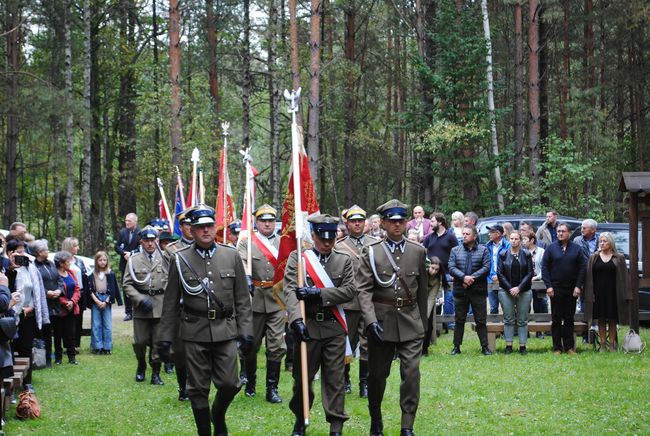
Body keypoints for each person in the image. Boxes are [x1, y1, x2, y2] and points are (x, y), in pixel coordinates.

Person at [158, 205, 253, 436]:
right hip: (194, 332)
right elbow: (170, 302)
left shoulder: (230, 255)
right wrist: (164, 339)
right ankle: (204, 432)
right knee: (198, 389)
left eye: (209, 226)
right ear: (191, 229)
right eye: (200, 227)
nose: (206, 231)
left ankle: (218, 415)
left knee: (231, 384)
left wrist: (246, 330)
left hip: (225, 331)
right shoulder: (180, 259)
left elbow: (242, 297)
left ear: (215, 227)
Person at [357, 199, 428, 436]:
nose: (397, 225)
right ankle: (375, 417)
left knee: (411, 375)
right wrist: (370, 321)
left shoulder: (418, 251)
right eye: (392, 221)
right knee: (377, 376)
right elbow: (364, 290)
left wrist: (423, 327)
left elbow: (422, 292)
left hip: (410, 322)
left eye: (401, 221)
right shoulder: (372, 251)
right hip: (381, 322)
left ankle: (407, 425)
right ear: (384, 224)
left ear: (406, 223)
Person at [284, 213, 355, 436]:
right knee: (302, 379)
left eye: (331, 238)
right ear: (313, 236)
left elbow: (350, 290)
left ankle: (336, 426)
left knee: (335, 380)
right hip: (308, 327)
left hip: (334, 328)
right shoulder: (299, 259)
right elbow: (289, 290)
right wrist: (296, 320)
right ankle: (300, 418)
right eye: (322, 238)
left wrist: (318, 293)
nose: (327, 243)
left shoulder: (343, 260)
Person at [237, 204, 286, 404]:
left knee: (276, 346)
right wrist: (246, 275)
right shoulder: (247, 242)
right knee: (251, 345)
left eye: (271, 220)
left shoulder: (283, 242)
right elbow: (241, 262)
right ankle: (250, 382)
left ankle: (272, 389)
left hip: (276, 300)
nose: (267, 223)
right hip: (254, 301)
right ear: (256, 222)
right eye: (263, 220)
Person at [335, 205, 378, 398]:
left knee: (368, 343)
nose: (357, 224)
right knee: (347, 342)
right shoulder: (339, 246)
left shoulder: (376, 243)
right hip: (349, 303)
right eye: (353, 221)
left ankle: (365, 383)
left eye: (360, 220)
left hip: (370, 302)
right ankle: (345, 380)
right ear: (347, 223)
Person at [123, 226, 168, 385]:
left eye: (153, 240)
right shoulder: (134, 260)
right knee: (140, 342)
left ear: (157, 240)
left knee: (158, 341)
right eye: (147, 240)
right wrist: (140, 299)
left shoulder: (165, 258)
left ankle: (156, 373)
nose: (150, 244)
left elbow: (171, 281)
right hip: (142, 306)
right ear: (141, 241)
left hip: (160, 304)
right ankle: (141, 363)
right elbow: (127, 284)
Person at [161, 207, 195, 401]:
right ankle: (183, 387)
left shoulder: (207, 247)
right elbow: (166, 279)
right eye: (187, 224)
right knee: (181, 351)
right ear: (181, 227)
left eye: (193, 224)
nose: (191, 228)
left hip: (200, 307)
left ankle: (197, 385)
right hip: (181, 308)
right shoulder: (171, 251)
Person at [6, 239, 49, 391]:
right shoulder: (6, 269)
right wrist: (11, 268)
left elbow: (38, 293)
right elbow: (7, 290)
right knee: (10, 349)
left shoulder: (31, 268)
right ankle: (9, 385)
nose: (21, 254)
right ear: (9, 252)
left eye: (23, 250)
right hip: (11, 316)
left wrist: (31, 308)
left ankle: (27, 382)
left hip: (28, 315)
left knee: (26, 348)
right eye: (17, 251)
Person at [541, 222, 587, 355]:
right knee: (556, 319)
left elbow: (582, 268)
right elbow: (545, 268)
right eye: (558, 231)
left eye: (563, 231)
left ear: (569, 233)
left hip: (571, 289)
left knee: (569, 318)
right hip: (555, 289)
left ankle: (569, 347)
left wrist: (578, 286)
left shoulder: (576, 249)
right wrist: (548, 286)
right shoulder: (551, 248)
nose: (560, 233)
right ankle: (557, 348)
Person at [584, 233, 632, 352]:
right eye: (600, 241)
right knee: (600, 319)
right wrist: (589, 293)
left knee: (612, 319)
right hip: (598, 293)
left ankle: (612, 345)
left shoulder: (618, 257)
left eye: (605, 241)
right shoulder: (594, 257)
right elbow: (588, 276)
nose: (602, 243)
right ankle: (603, 345)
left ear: (611, 243)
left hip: (614, 293)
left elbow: (625, 277)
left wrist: (627, 294)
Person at [448, 224, 491, 355]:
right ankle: (456, 347)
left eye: (467, 234)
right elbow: (451, 267)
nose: (464, 236)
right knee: (459, 319)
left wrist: (471, 278)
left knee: (481, 320)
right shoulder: (455, 250)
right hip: (461, 290)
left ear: (474, 236)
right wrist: (463, 277)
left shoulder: (483, 250)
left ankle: (485, 346)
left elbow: (486, 267)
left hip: (478, 290)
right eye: (463, 234)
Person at [496, 232, 534, 354]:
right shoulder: (502, 254)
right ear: (509, 240)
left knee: (522, 319)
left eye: (516, 239)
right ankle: (509, 345)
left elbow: (530, 273)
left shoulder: (527, 254)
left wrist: (519, 288)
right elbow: (499, 273)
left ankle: (523, 346)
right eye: (511, 239)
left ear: (520, 240)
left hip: (524, 291)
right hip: (506, 291)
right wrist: (510, 289)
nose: (513, 241)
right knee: (509, 319)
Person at [88, 251, 123, 355]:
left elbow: (113, 289)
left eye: (104, 260)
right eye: (100, 260)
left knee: (107, 324)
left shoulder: (110, 273)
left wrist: (106, 301)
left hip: (107, 299)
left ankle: (107, 347)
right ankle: (97, 347)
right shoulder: (92, 274)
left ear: (107, 261)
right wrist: (97, 301)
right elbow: (89, 290)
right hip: (96, 299)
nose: (103, 262)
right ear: (96, 261)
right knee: (96, 324)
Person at [61, 237, 88, 355]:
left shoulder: (79, 261)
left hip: (79, 293)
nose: (78, 248)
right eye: (76, 246)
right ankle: (67, 345)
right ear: (70, 247)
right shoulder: (62, 261)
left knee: (78, 320)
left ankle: (75, 345)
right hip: (67, 294)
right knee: (66, 321)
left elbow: (85, 277)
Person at [53, 250, 81, 364]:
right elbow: (56, 292)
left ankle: (72, 357)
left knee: (71, 334)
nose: (70, 262)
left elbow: (77, 289)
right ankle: (58, 358)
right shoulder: (54, 275)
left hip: (71, 308)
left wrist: (72, 302)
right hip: (59, 309)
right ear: (61, 263)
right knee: (58, 334)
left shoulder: (71, 272)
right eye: (68, 261)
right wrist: (65, 303)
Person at [115, 212, 141, 321]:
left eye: (129, 221)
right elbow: (117, 247)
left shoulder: (141, 232)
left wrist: (132, 253)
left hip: (137, 265)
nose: (126, 223)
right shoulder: (122, 232)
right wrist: (124, 253)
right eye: (126, 220)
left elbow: (142, 247)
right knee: (126, 287)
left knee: (137, 287)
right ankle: (128, 312)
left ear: (135, 221)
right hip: (124, 264)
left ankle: (137, 311)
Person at [521, 231, 547, 338]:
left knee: (538, 305)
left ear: (532, 240)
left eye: (525, 239)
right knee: (524, 306)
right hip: (525, 283)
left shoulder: (542, 252)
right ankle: (525, 331)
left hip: (538, 282)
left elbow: (544, 267)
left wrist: (536, 277)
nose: (523, 242)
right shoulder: (522, 252)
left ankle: (539, 331)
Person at [485, 224, 510, 315]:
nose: (489, 234)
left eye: (491, 232)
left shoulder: (508, 246)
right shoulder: (488, 246)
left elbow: (509, 264)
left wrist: (500, 276)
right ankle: (495, 328)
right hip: (490, 279)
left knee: (506, 306)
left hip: (504, 280)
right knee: (493, 307)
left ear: (498, 233)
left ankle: (508, 328)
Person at [423, 256, 445, 355]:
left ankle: (425, 348)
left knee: (428, 325)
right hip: (416, 302)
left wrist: (426, 316)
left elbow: (432, 297)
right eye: (432, 268)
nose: (434, 271)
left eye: (436, 269)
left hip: (428, 301)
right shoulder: (422, 274)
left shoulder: (437, 279)